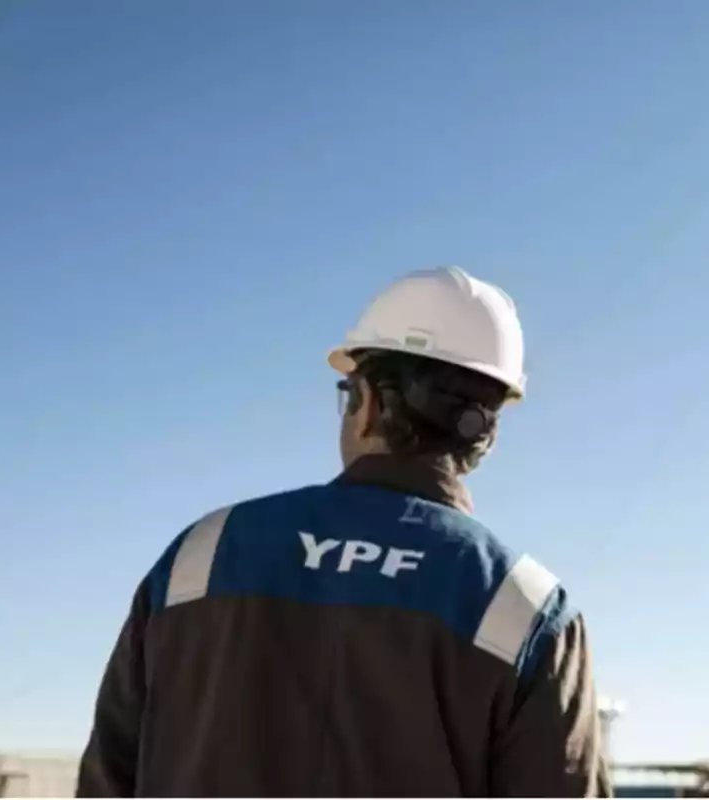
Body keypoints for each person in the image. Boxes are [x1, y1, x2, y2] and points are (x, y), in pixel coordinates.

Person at [76, 265, 610, 798]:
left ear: (368, 403)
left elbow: (107, 780)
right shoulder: (523, 608)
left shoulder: (201, 556)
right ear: (485, 434)